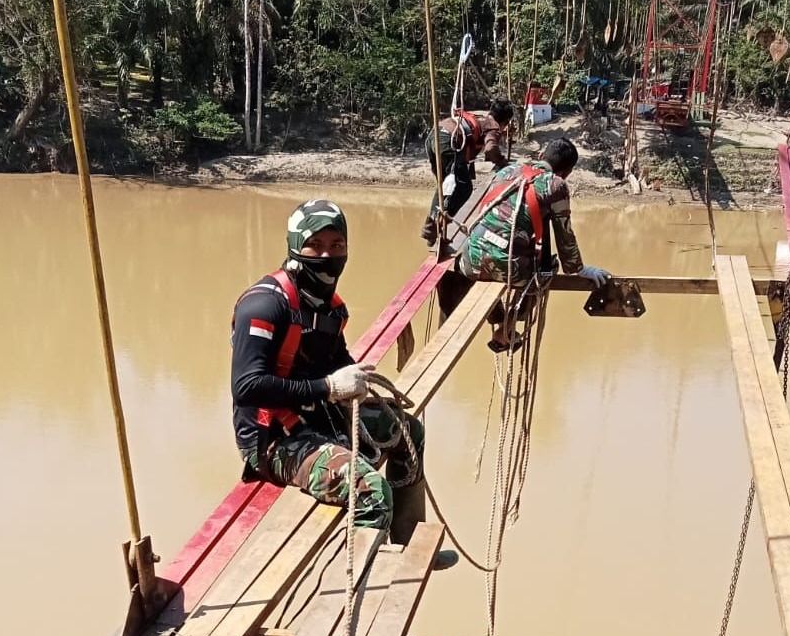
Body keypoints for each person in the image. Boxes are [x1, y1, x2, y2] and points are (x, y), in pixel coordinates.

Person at [231, 199, 456, 566]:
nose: (326, 255)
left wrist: (357, 388)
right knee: (371, 491)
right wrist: (330, 389)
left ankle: (406, 543)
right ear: (294, 246)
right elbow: (247, 387)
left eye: (337, 246)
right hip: (274, 440)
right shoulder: (263, 307)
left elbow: (336, 361)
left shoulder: (330, 308)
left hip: (320, 417)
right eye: (315, 246)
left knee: (408, 431)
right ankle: (360, 587)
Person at [439, 136, 610, 351]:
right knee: (546, 270)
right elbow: (564, 234)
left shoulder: (506, 172)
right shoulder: (556, 185)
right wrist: (579, 269)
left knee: (503, 256)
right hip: (511, 271)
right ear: (567, 172)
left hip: (469, 263)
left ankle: (498, 320)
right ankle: (507, 328)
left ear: (541, 156)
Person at [420, 99, 515, 246]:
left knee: (444, 187)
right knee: (464, 188)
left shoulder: (481, 117)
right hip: (450, 141)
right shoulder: (494, 127)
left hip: (434, 136)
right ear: (505, 122)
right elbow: (491, 149)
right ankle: (435, 226)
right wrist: (502, 162)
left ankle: (431, 228)